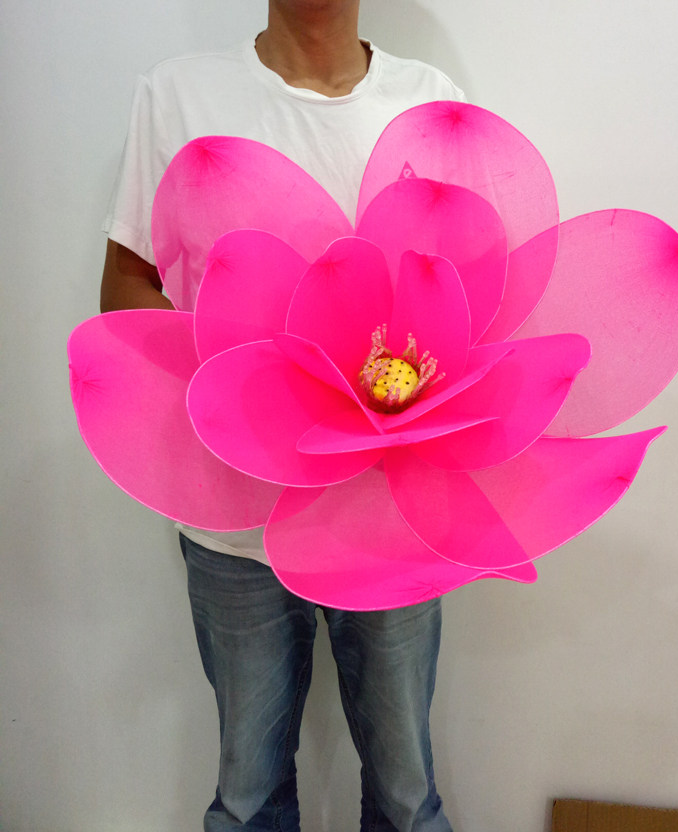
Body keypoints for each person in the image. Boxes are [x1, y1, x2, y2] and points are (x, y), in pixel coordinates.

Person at [100, 2, 464, 830]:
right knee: (249, 796)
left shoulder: (430, 102)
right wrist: (240, 375)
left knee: (408, 797)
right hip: (233, 519)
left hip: (390, 517)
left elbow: (470, 293)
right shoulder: (178, 95)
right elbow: (125, 285)